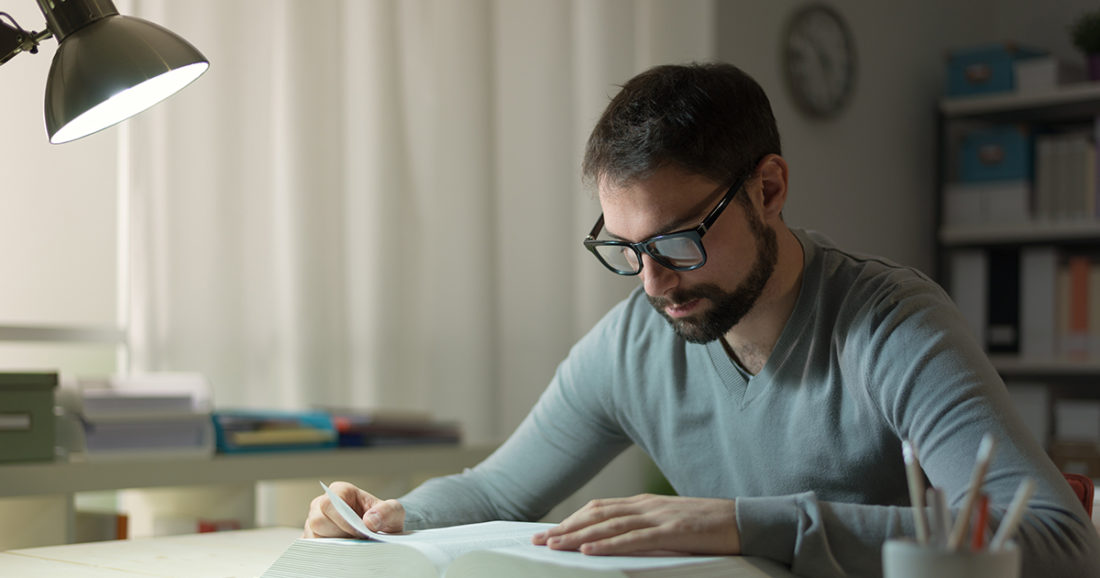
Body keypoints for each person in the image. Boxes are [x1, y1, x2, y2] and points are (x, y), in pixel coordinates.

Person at [304, 62, 1100, 577]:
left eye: (679, 241)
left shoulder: (893, 326)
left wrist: (740, 525)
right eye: (625, 248)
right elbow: (500, 488)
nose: (653, 283)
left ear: (769, 190)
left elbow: (1063, 545)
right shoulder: (635, 342)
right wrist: (382, 515)